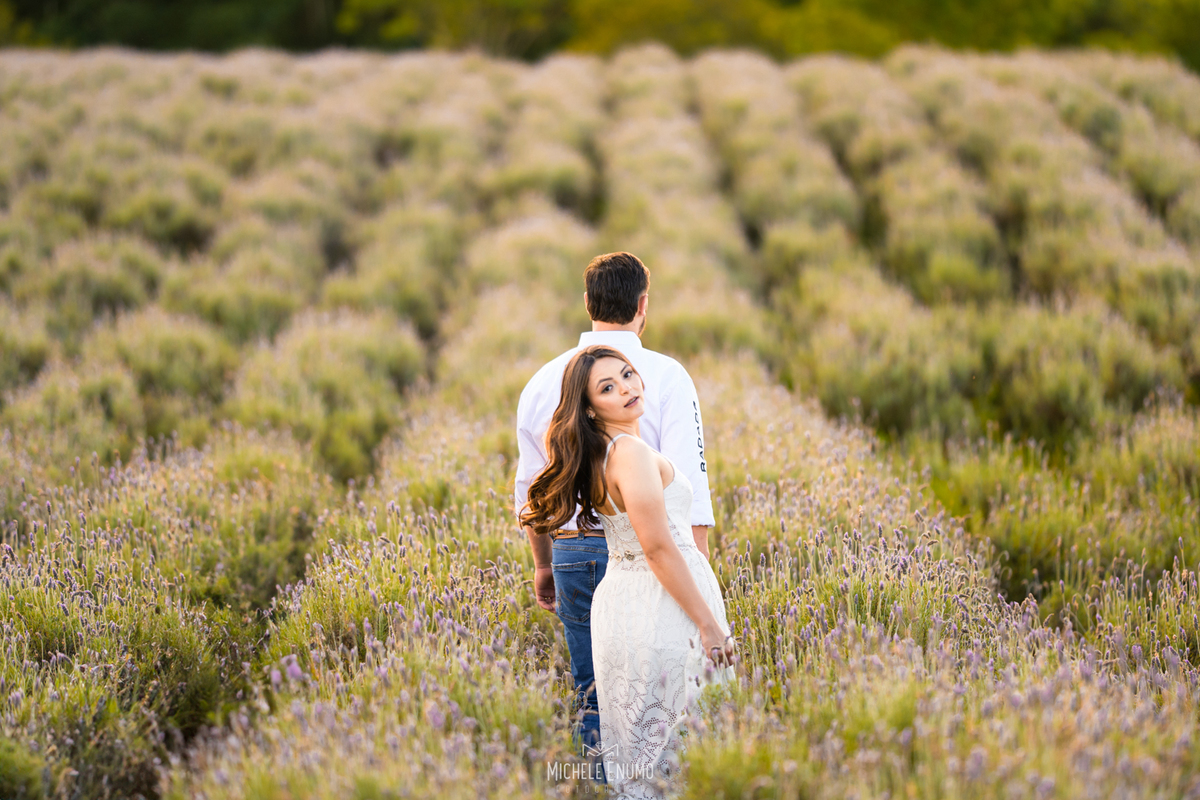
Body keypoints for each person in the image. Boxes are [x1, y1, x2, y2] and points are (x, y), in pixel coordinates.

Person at [514, 252, 716, 761]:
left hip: (572, 552)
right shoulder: (665, 374)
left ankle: (598, 785)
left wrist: (543, 565)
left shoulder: (544, 380)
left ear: (587, 303)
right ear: (643, 305)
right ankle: (657, 784)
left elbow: (532, 488)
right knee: (664, 697)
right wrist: (699, 574)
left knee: (593, 694)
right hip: (649, 554)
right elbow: (689, 485)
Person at [521, 345, 734, 799]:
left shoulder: (600, 456)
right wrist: (708, 625)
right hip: (660, 603)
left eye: (627, 374)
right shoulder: (630, 453)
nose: (626, 388)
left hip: (624, 600)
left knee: (638, 746)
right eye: (607, 387)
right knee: (679, 741)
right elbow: (656, 547)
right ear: (590, 408)